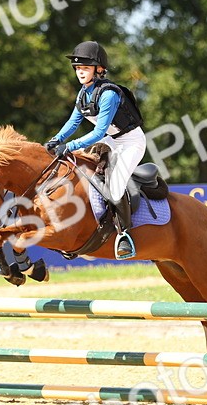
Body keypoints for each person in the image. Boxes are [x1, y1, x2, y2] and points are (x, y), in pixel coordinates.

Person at [45, 40, 146, 260]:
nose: (80, 72)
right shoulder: (83, 94)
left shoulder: (108, 93)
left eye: (85, 67)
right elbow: (72, 123)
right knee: (85, 172)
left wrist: (69, 146)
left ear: (98, 69)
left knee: (116, 186)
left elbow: (99, 132)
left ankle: (124, 236)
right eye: (78, 68)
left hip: (131, 142)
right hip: (112, 140)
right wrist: (55, 140)